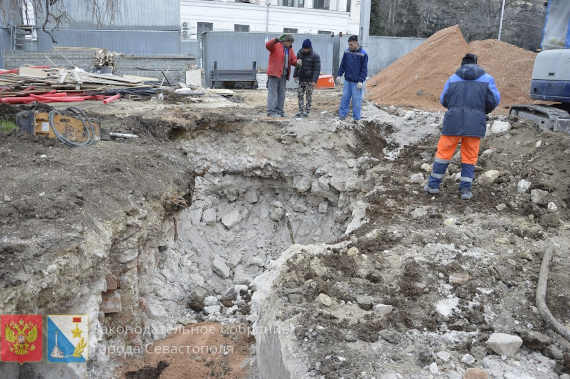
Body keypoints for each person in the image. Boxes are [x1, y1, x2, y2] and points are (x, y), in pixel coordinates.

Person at [424, 53, 501, 200]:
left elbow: (443, 99)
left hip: (453, 121)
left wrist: (454, 108)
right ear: (476, 63)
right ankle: (465, 190)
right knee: (470, 156)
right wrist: (482, 111)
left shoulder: (453, 79)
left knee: (443, 154)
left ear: (462, 64)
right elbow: (494, 100)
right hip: (475, 123)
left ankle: (433, 186)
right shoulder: (487, 79)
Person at [265, 34, 298, 117]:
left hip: (283, 74)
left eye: (291, 42)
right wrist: (275, 40)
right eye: (289, 42)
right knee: (273, 93)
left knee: (281, 94)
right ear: (285, 41)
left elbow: (293, 59)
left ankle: (279, 111)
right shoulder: (275, 46)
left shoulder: (289, 49)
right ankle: (271, 112)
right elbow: (268, 45)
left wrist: (297, 62)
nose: (291, 44)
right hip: (274, 73)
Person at [337, 35, 368, 121]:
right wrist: (339, 75)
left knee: (356, 102)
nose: (349, 46)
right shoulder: (347, 52)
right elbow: (343, 64)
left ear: (356, 43)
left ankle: (356, 119)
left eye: (351, 45)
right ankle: (342, 116)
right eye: (349, 44)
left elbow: (364, 69)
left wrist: (361, 81)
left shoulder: (363, 54)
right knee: (344, 99)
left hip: (356, 83)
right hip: (347, 81)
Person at [293, 39, 321, 118]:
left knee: (308, 95)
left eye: (306, 48)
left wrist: (314, 80)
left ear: (310, 48)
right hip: (301, 79)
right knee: (300, 95)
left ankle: (307, 111)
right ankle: (301, 110)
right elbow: (297, 65)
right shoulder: (300, 53)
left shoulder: (315, 56)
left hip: (310, 80)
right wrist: (295, 75)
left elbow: (317, 69)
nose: (305, 50)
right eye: (304, 48)